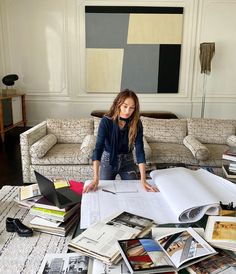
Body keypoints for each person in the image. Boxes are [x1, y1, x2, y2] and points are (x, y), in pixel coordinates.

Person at [83, 89, 158, 193]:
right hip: (108, 160)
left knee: (134, 191)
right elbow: (98, 148)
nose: (128, 111)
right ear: (118, 104)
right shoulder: (106, 121)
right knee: (104, 192)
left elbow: (140, 151)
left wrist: (143, 179)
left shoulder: (136, 123)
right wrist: (96, 178)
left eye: (132, 108)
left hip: (128, 161)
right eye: (125, 106)